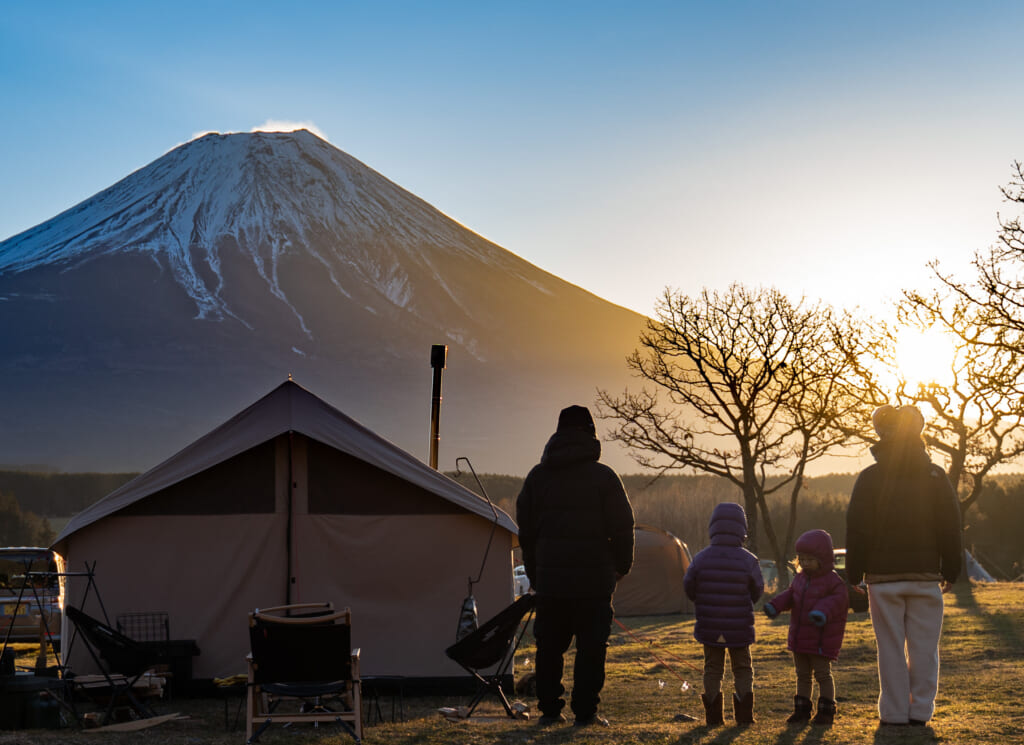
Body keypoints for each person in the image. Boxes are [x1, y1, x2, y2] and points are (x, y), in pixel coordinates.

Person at [515, 404, 635, 728]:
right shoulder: (604, 477)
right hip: (595, 582)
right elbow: (623, 528)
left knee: (549, 648)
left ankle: (550, 710)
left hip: (551, 582)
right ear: (591, 434)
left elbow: (525, 531)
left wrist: (534, 571)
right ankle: (586, 713)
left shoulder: (537, 479)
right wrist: (621, 567)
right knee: (591, 649)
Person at [846, 404, 962, 727]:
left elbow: (856, 528)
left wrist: (854, 574)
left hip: (883, 579)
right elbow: (950, 525)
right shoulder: (935, 475)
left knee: (891, 648)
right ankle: (921, 711)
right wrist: (951, 569)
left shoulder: (869, 477)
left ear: (882, 433)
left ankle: (895, 712)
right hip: (926, 576)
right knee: (925, 648)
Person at [682, 502, 764, 726]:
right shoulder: (749, 560)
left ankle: (714, 718)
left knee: (712, 668)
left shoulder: (700, 558)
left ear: (712, 527)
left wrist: (701, 601)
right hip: (739, 625)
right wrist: (745, 603)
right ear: (742, 528)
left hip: (710, 624)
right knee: (742, 668)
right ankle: (745, 717)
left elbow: (689, 584)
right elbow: (757, 590)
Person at [763, 529, 849, 726]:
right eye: (802, 558)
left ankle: (826, 711)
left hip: (821, 639)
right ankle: (801, 711)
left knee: (822, 674)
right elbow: (790, 595)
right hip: (800, 637)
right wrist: (775, 606)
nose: (805, 563)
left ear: (823, 558)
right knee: (802, 675)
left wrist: (821, 611)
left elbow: (837, 601)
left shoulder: (833, 582)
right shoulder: (800, 578)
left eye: (810, 559)